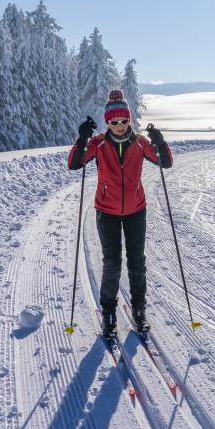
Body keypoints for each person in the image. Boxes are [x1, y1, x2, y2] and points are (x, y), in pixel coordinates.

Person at [67, 89, 172, 339]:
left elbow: (165, 162)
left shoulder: (139, 143)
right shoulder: (99, 144)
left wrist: (159, 141)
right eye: (114, 122)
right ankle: (109, 313)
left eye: (123, 120)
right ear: (107, 122)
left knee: (137, 262)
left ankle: (139, 311)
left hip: (136, 210)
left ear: (129, 119)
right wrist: (81, 140)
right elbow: (74, 163)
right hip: (107, 212)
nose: (119, 125)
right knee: (112, 263)